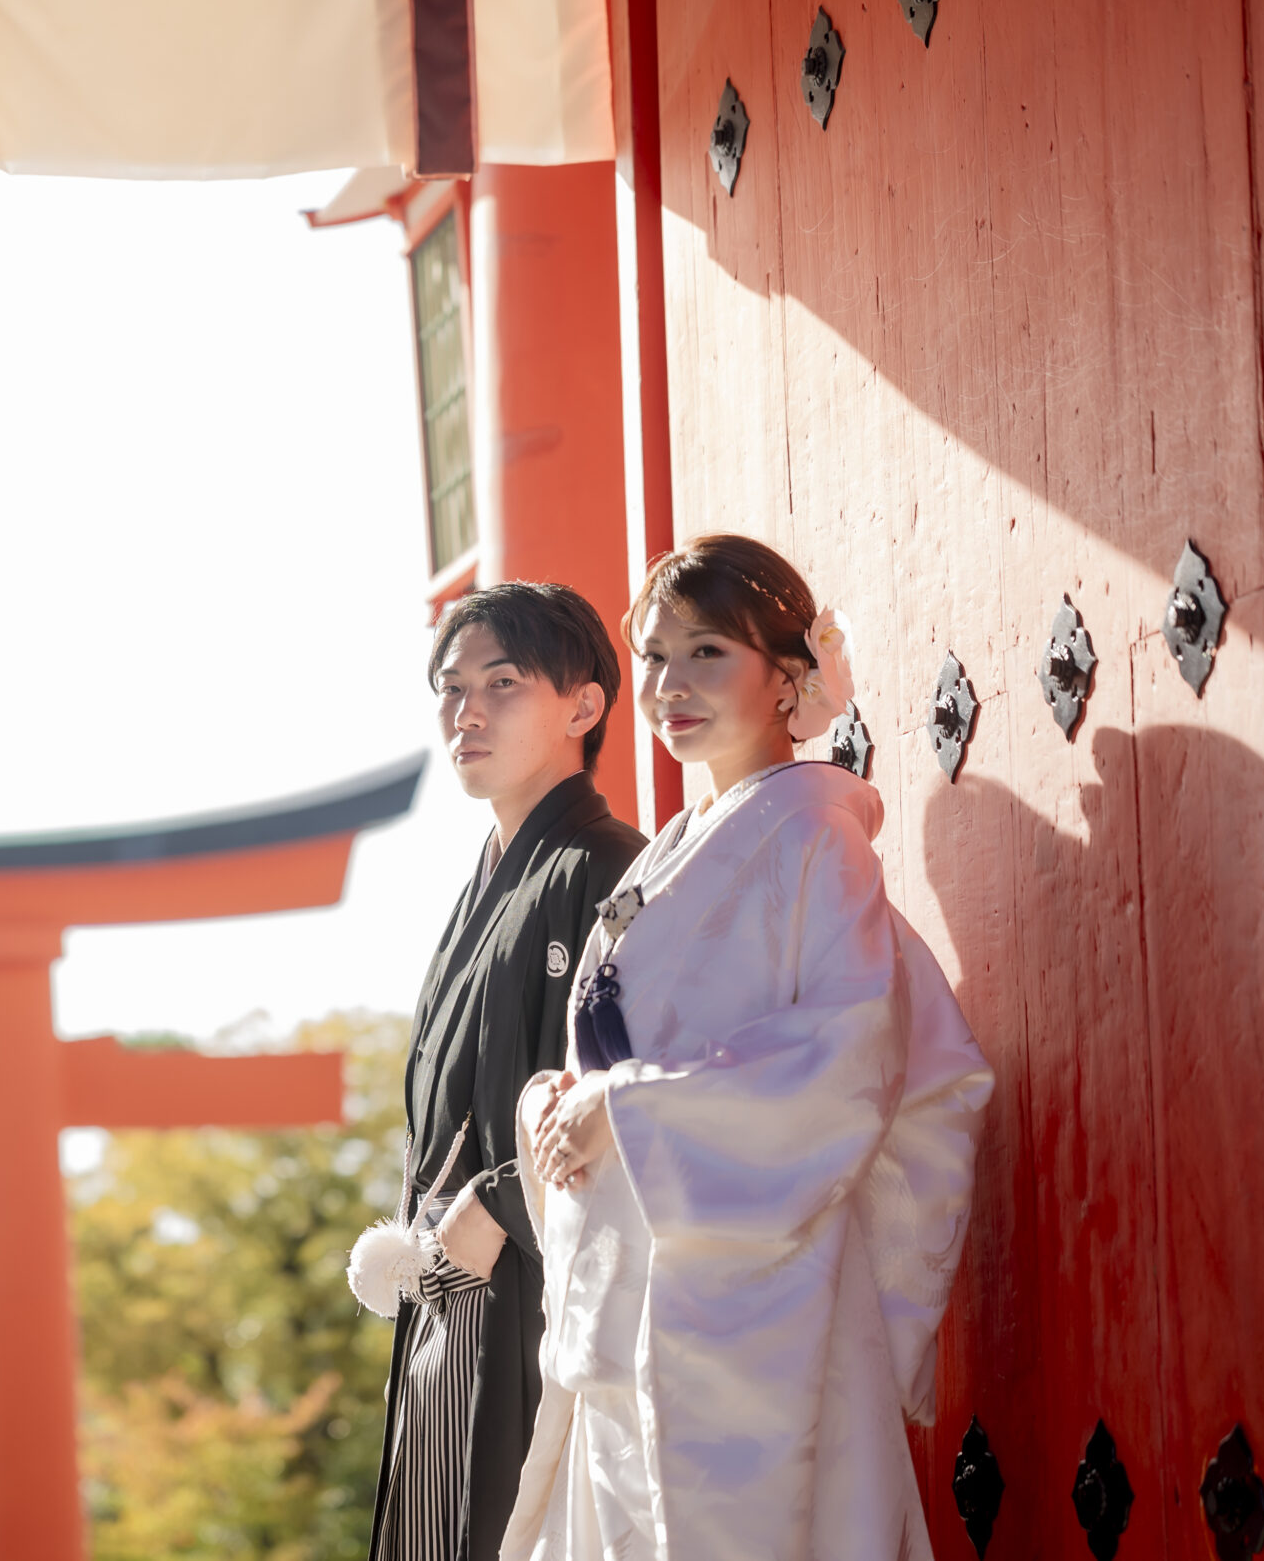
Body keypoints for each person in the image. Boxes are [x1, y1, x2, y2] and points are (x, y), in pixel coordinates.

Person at [502, 535, 993, 1561]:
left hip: (759, 1313)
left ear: (790, 676)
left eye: (706, 651)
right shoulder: (678, 848)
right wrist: (562, 1099)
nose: (669, 685)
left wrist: (625, 1108)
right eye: (651, 656)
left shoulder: (811, 833)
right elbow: (624, 1050)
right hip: (636, 1287)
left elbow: (849, 1051)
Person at [362, 581, 649, 1561]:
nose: (466, 710)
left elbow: (640, 1084)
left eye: (502, 681)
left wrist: (496, 1198)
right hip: (451, 1299)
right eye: (450, 688)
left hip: (539, 1296)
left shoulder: (604, 867)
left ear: (582, 704)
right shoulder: (479, 887)